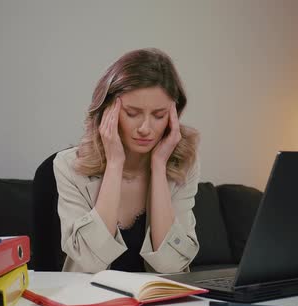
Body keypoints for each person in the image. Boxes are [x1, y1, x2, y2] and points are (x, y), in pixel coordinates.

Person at [53, 48, 201, 273]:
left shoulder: (184, 166)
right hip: (92, 302)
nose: (145, 128)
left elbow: (171, 267)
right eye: (132, 113)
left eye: (159, 115)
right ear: (107, 111)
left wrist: (159, 167)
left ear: (173, 115)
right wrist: (114, 164)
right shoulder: (68, 166)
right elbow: (89, 263)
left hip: (160, 305)